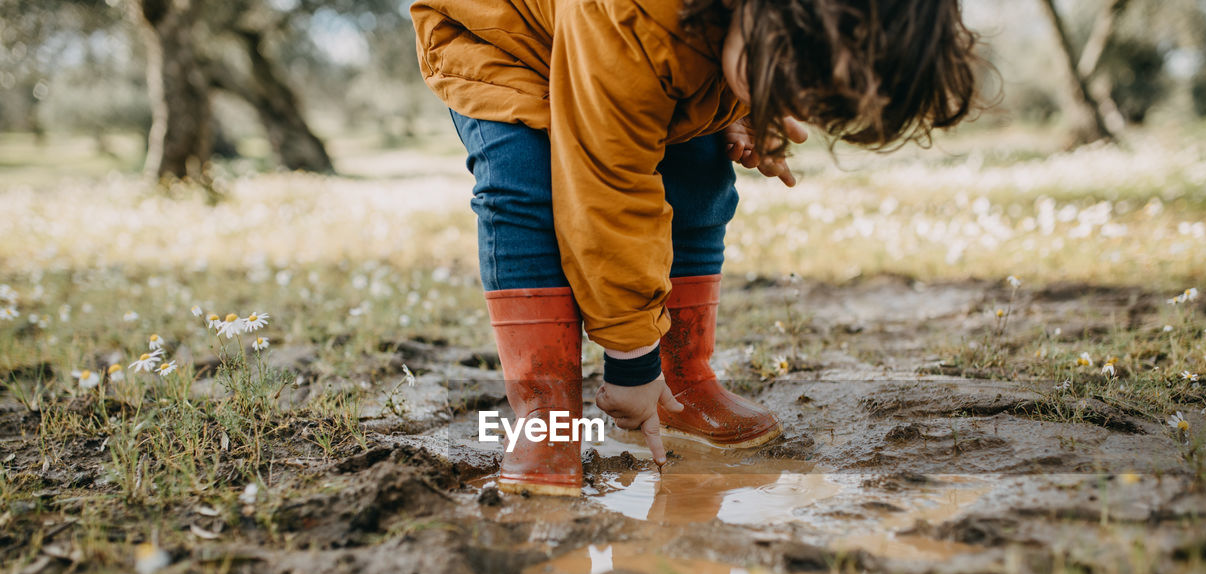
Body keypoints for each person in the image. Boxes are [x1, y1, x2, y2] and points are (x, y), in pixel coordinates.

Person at [410, 0, 981, 496]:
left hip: (653, 44)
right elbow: (608, 190)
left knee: (702, 170)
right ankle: (547, 417)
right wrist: (630, 364)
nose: (789, 99)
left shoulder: (760, 27)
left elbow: (710, 60)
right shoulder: (633, 15)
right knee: (523, 188)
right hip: (504, 38)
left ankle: (683, 381)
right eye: (783, 77)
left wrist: (741, 106)